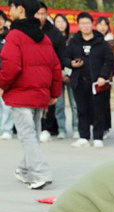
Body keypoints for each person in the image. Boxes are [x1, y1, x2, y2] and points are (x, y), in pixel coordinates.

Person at [0, 0, 61, 190]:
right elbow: (55, 66)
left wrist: (2, 84)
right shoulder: (44, 37)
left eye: (11, 7)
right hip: (39, 94)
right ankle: (23, 170)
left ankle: (41, 173)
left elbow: (11, 66)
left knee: (28, 137)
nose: (9, 11)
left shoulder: (14, 35)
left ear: (20, 9)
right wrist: (54, 92)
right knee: (32, 135)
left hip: (21, 94)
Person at [64, 11, 113, 149]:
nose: (85, 26)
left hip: (97, 83)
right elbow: (65, 58)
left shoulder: (101, 42)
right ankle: (83, 137)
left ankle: (98, 137)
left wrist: (103, 76)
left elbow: (109, 60)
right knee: (82, 110)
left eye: (87, 23)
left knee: (98, 110)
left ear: (92, 24)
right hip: (79, 81)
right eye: (82, 23)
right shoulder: (74, 42)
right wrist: (71, 63)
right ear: (78, 25)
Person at [34, 2, 65, 143]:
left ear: (47, 14)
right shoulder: (27, 30)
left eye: (43, 14)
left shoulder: (54, 33)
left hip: (49, 73)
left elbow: (61, 56)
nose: (40, 17)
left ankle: (46, 128)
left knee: (49, 102)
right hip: (32, 73)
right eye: (38, 14)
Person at [52, 13, 76, 139]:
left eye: (63, 21)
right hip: (57, 75)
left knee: (74, 104)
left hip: (71, 74)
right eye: (58, 22)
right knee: (59, 104)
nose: (61, 24)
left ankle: (76, 128)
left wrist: (69, 72)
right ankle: (61, 129)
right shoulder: (51, 39)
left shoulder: (72, 40)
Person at [95, 16, 114, 140]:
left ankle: (105, 127)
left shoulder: (110, 41)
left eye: (105, 24)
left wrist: (108, 74)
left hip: (106, 76)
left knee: (104, 103)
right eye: (100, 24)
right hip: (93, 75)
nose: (102, 27)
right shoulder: (92, 39)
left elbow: (113, 61)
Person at [0, 10, 14, 141]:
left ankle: (7, 129)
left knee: (6, 104)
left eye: (1, 19)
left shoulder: (10, 35)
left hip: (5, 72)